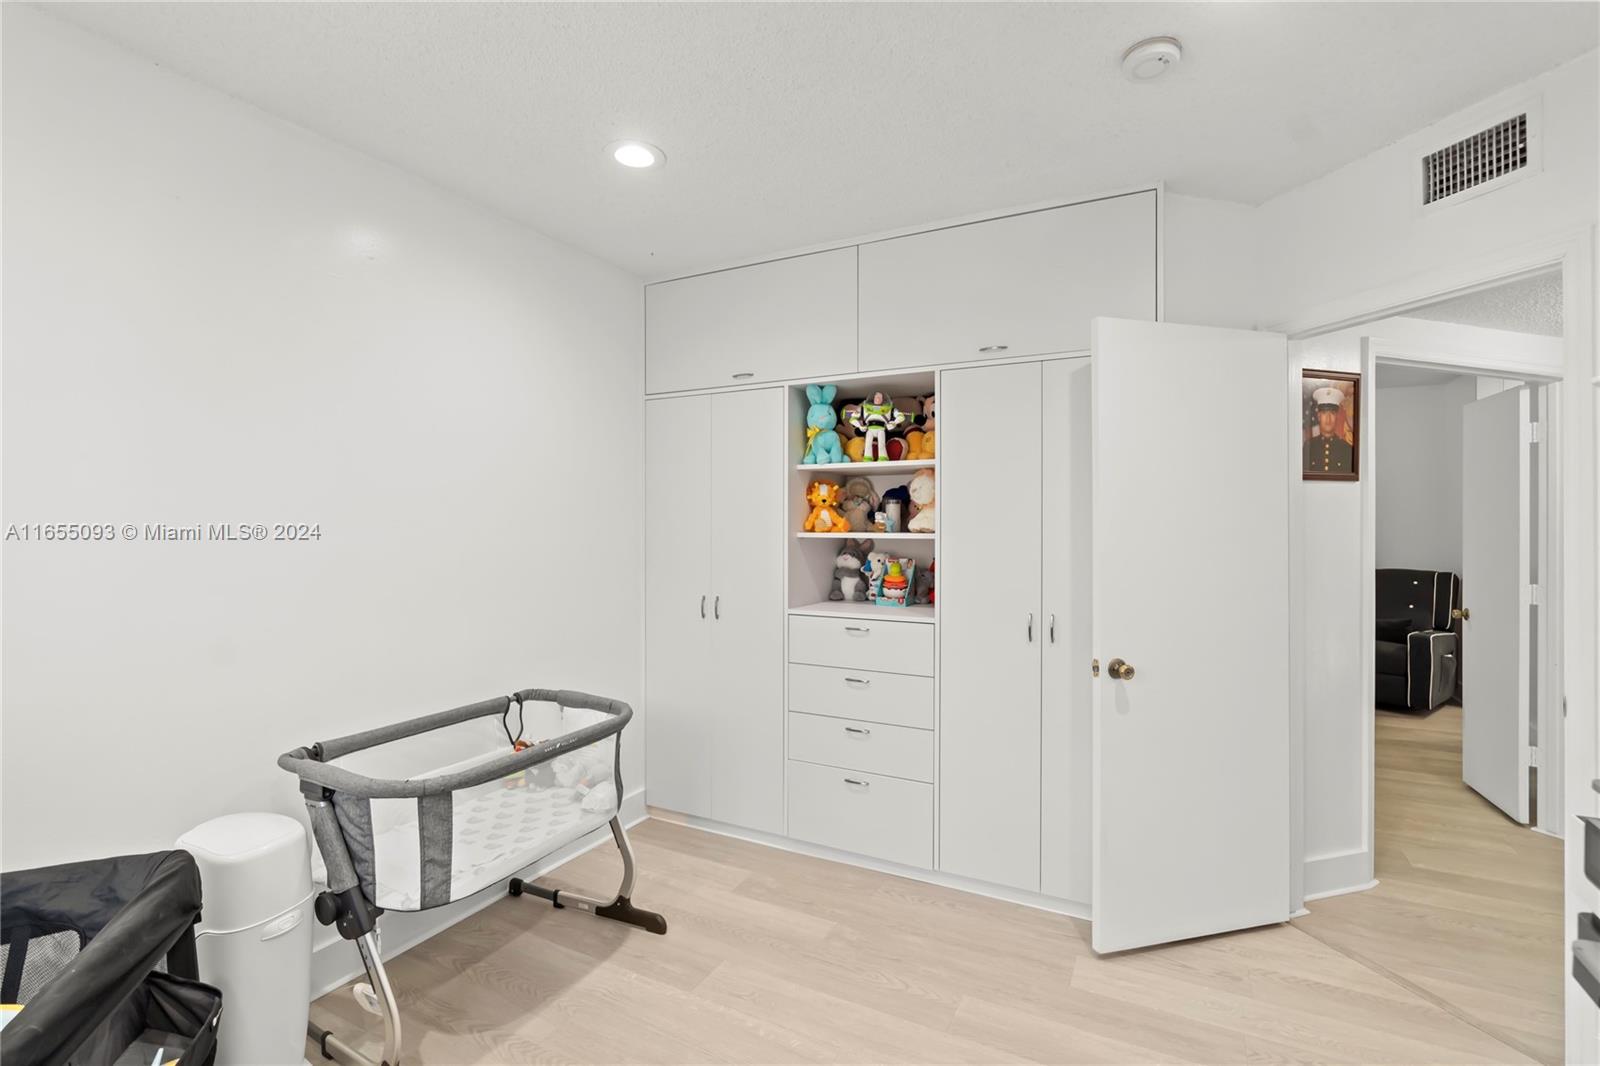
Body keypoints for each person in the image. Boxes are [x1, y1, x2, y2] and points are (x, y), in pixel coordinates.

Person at [1304, 386, 1354, 474]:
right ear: (1319, 416)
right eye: (1324, 413)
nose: (1328, 418)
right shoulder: (1308, 446)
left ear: (1337, 417)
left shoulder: (1346, 449)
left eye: (1332, 413)